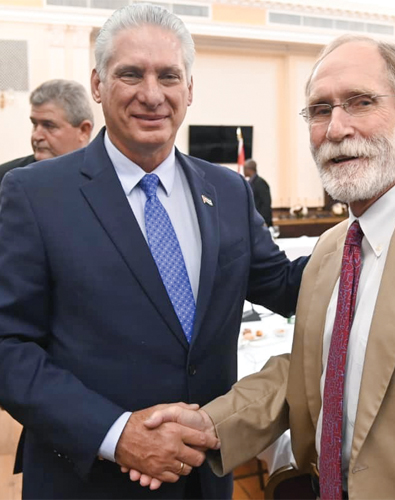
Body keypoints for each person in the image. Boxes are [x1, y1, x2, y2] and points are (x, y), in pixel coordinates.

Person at [140, 34, 395, 500]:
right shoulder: (332, 250)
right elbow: (318, 370)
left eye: (361, 102)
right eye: (320, 110)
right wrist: (211, 423)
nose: (336, 128)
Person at [0, 3, 307, 500]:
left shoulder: (228, 192)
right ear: (98, 85)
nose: (151, 94)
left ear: (189, 89)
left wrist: (371, 237)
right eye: (130, 74)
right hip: (89, 483)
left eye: (168, 76)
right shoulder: (35, 195)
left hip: (204, 481)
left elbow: (285, 285)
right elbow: (8, 346)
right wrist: (115, 435)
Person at [0, 79, 93, 183]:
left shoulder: (107, 176)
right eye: (34, 124)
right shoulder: (7, 179)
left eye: (49, 126)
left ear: (84, 130)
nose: (36, 136)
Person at [243, 159, 273, 227]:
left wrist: (263, 220)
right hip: (254, 221)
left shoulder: (260, 183)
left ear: (249, 169)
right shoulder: (250, 183)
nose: (243, 171)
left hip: (261, 222)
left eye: (244, 168)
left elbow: (266, 203)